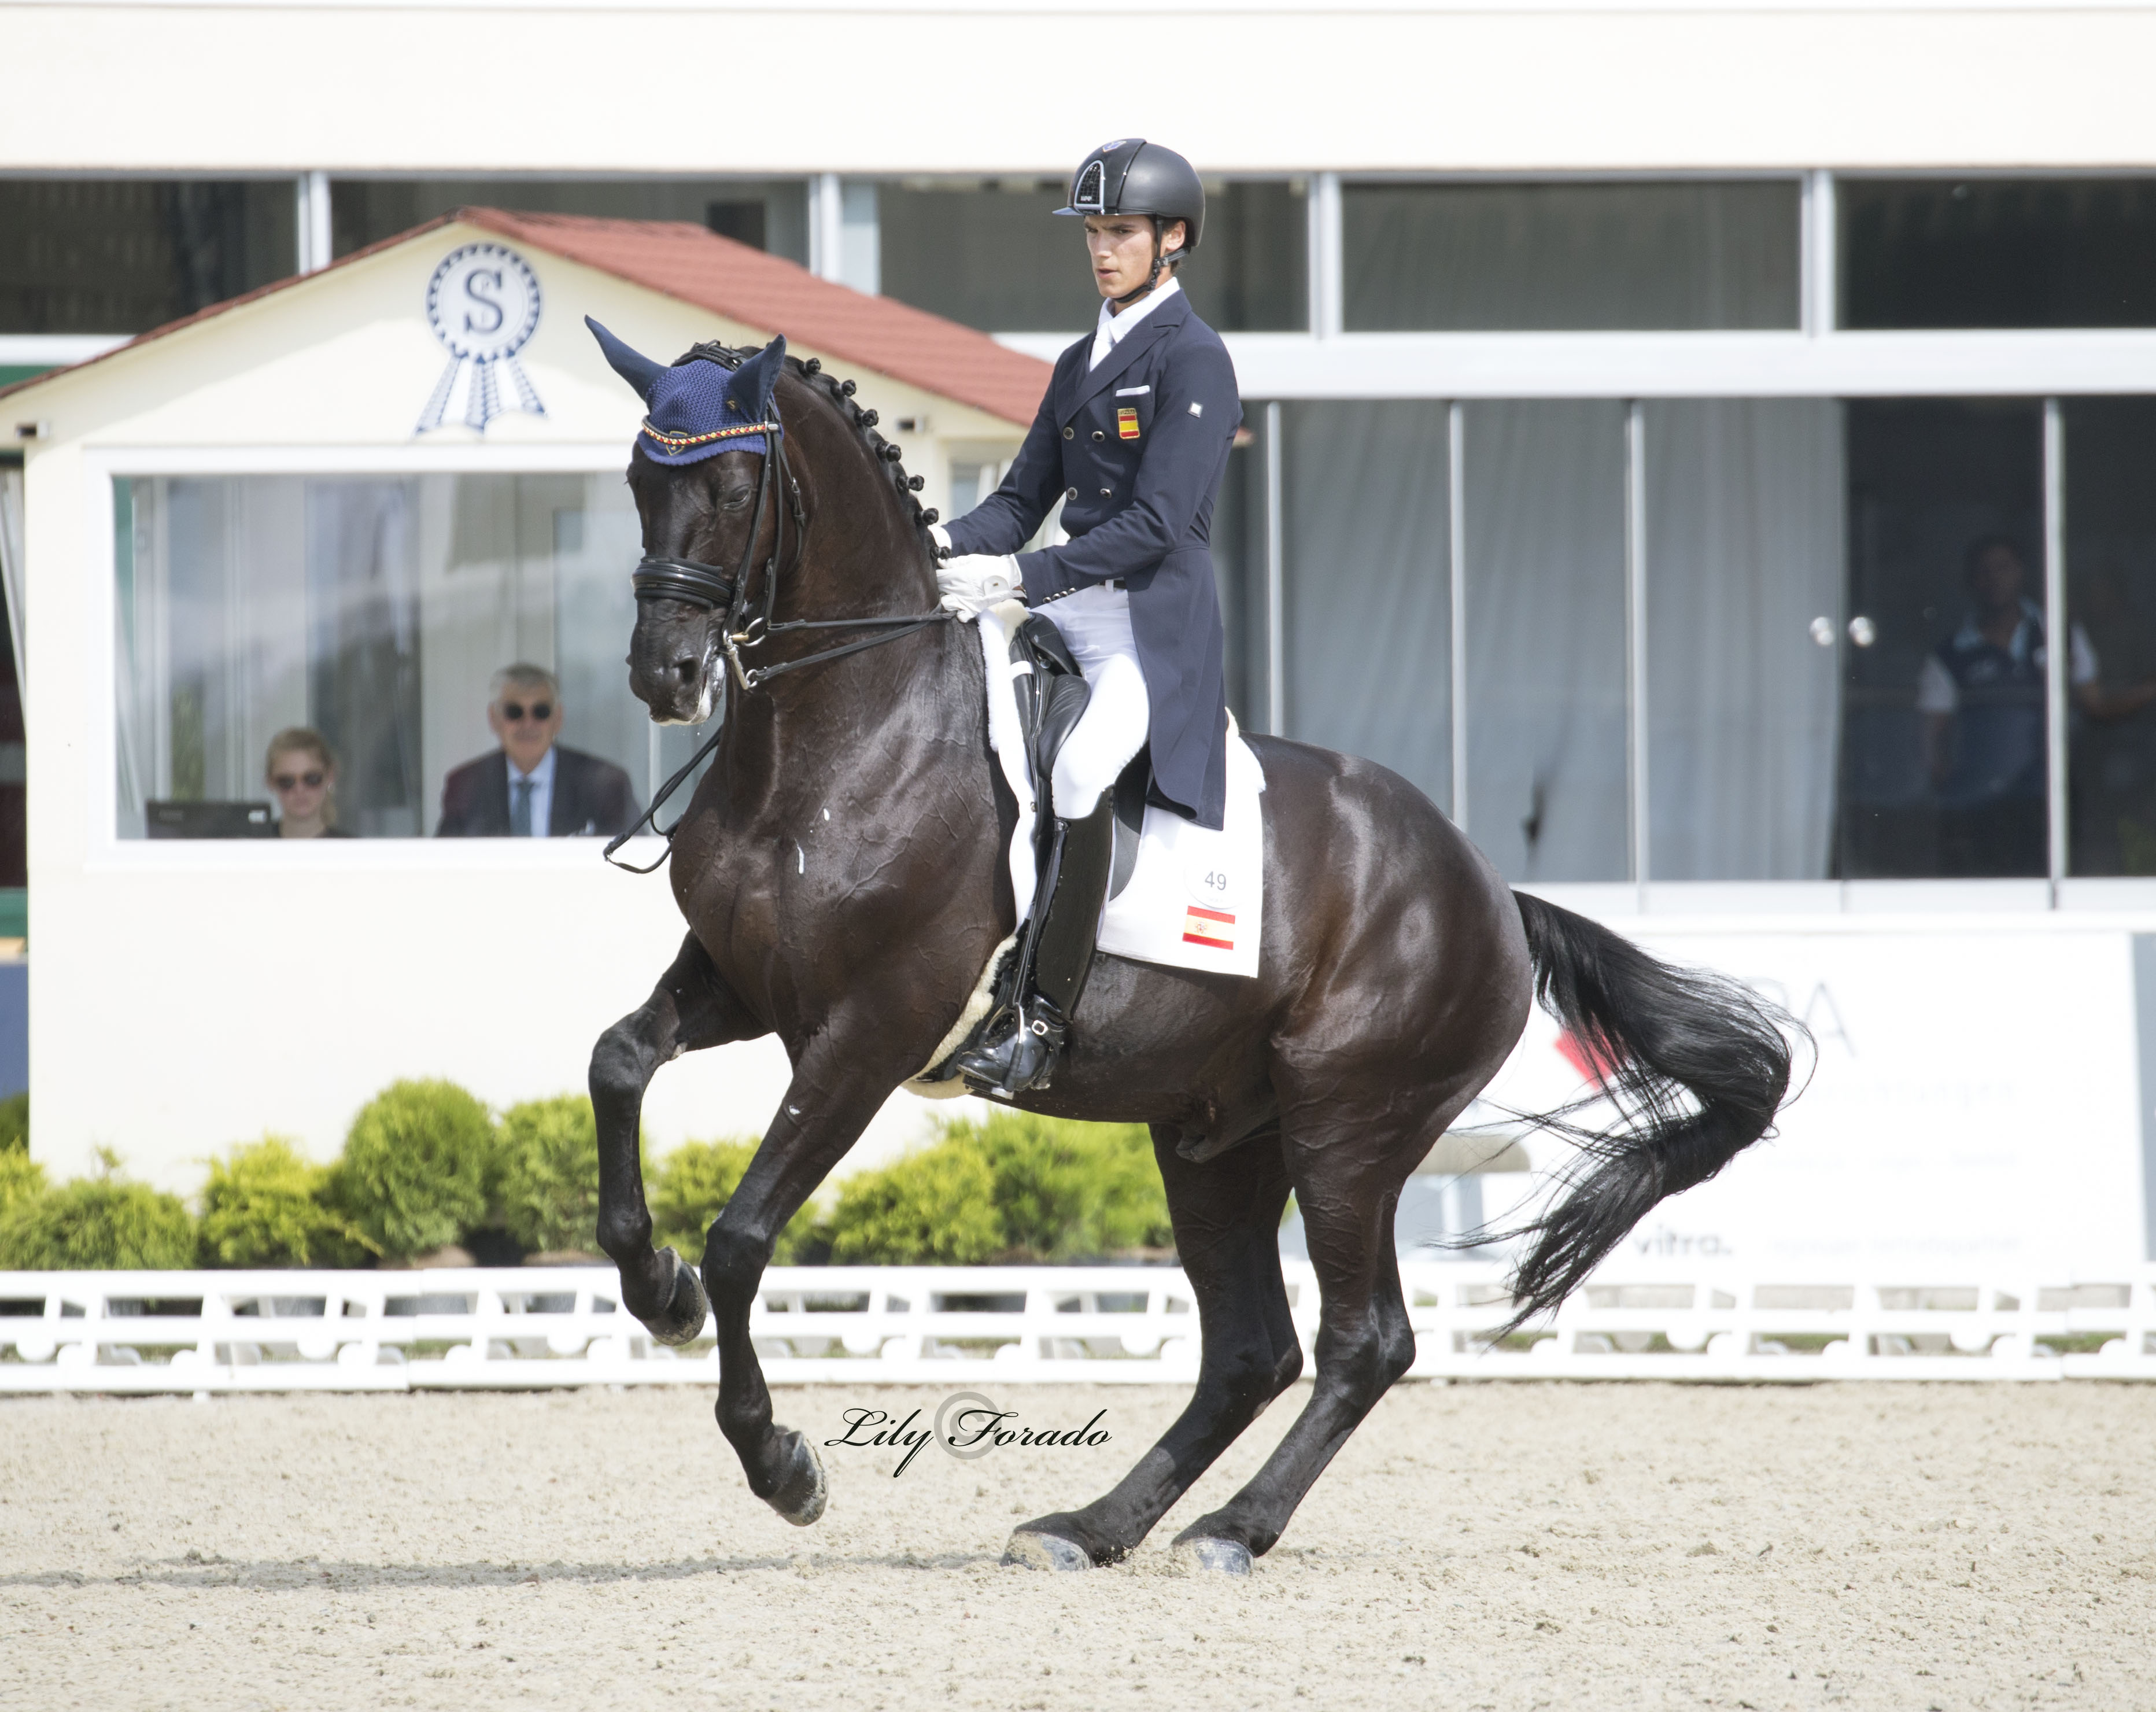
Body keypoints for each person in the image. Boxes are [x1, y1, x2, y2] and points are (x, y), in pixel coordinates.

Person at [931, 138, 1243, 1094]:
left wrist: (1020, 578)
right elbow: (1018, 502)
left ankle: (1038, 1019)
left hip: (1147, 630)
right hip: (1064, 613)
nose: (1101, 251)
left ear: (1171, 238)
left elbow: (1155, 526)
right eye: (1093, 234)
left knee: (1076, 767)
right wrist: (933, 545)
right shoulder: (1078, 363)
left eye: (1120, 232)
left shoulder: (1194, 360)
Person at [1917, 534, 2097, 875]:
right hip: (1977, 804)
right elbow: (1933, 737)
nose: (1995, 578)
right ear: (1972, 581)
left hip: (2048, 799)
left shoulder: (2060, 632)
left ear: (2022, 573)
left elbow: (2093, 702)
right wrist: (1949, 789)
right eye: (1984, 571)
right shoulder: (1950, 654)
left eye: (2004, 567)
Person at [435, 664, 640, 838]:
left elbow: (634, 858)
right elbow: (446, 864)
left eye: (541, 712)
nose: (528, 724)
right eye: (514, 712)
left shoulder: (604, 784)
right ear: (494, 719)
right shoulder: (466, 785)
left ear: (558, 718)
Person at [264, 728, 354, 839]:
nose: (299, 790)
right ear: (271, 782)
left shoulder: (352, 850)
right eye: (287, 782)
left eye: (312, 779)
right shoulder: (250, 847)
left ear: (330, 777)